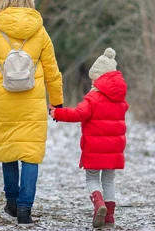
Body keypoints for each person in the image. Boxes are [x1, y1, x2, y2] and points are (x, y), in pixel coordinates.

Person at [0, 0, 64, 225]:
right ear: (29, 0)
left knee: (9, 151)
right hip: (32, 102)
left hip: (3, 101)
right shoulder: (40, 32)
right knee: (30, 153)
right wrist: (56, 103)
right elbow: (52, 70)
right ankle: (25, 210)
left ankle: (12, 204)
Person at [49, 48, 128, 228]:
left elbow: (78, 113)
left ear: (100, 78)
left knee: (92, 178)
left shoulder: (93, 98)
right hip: (114, 149)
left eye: (94, 78)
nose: (92, 81)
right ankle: (109, 217)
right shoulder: (121, 100)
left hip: (94, 148)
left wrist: (57, 113)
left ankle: (98, 203)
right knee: (108, 180)